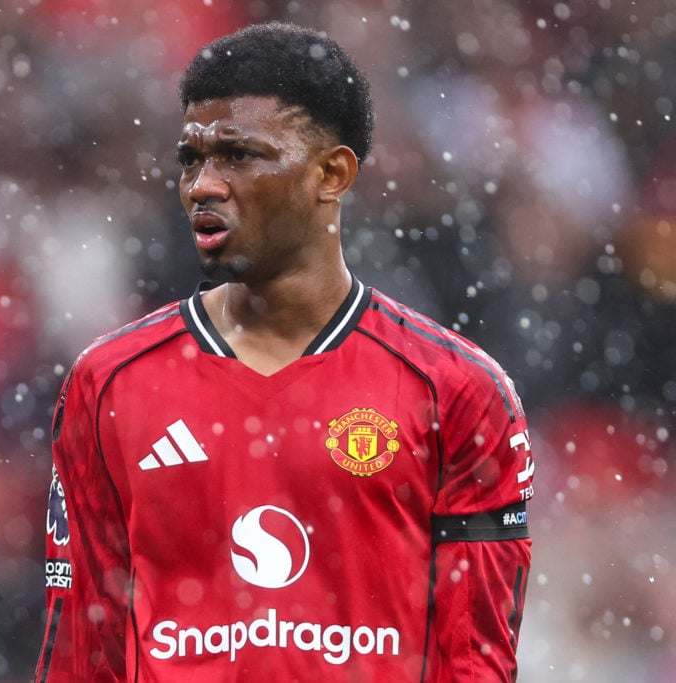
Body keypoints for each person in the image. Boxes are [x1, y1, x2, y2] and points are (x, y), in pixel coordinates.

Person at [35, 22, 533, 682]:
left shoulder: (456, 389)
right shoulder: (110, 384)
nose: (202, 185)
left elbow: (473, 664)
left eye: (238, 156)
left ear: (331, 173)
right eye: (191, 158)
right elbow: (81, 655)